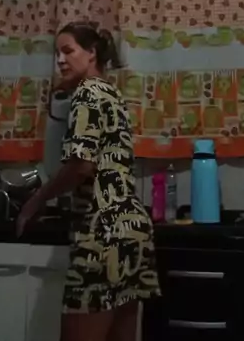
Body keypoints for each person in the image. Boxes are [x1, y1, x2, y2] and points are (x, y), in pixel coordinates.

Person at [16, 21, 160, 341]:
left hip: (102, 231)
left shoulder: (87, 94)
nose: (60, 60)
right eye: (57, 54)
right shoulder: (110, 93)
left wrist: (36, 200)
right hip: (131, 228)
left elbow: (81, 166)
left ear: (92, 53)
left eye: (68, 51)